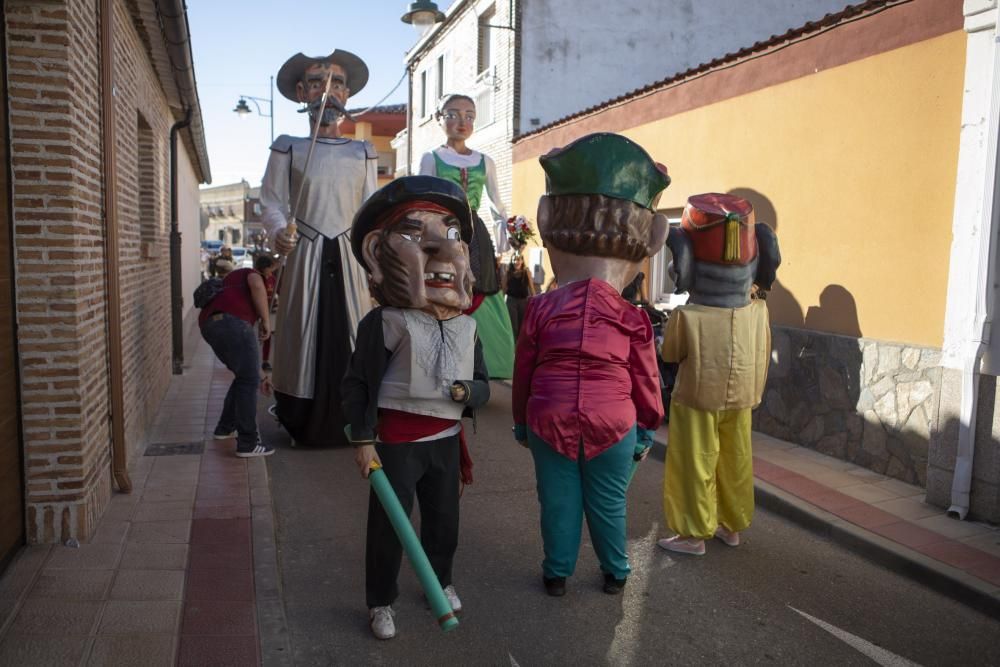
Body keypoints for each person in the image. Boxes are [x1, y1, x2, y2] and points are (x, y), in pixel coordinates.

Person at [512, 133, 667, 597]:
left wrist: (522, 421)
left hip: (548, 415)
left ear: (545, 222)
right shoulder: (632, 317)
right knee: (608, 504)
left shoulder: (539, 309)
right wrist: (646, 429)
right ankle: (615, 572)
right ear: (652, 241)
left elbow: (524, 372)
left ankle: (556, 572)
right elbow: (646, 381)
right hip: (613, 421)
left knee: (557, 503)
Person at [342, 175, 490, 640]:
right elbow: (358, 385)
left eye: (451, 236)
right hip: (396, 444)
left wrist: (471, 393)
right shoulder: (384, 323)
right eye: (413, 234)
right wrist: (363, 441)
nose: (441, 251)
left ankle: (439, 581)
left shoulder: (468, 327)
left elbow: (484, 385)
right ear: (376, 253)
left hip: (446, 444)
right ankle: (380, 601)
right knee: (389, 527)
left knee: (444, 522)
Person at [260, 49, 377, 447]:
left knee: (354, 334)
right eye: (316, 82)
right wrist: (279, 230)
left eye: (337, 83)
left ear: (347, 95)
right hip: (307, 253)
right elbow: (273, 201)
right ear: (300, 92)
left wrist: (375, 257)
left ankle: (355, 417)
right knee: (303, 336)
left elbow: (370, 210)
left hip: (348, 256)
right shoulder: (288, 147)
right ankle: (303, 419)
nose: (327, 90)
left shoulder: (362, 151)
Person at [658, 193, 780, 556]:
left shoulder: (689, 316)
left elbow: (670, 353)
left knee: (696, 460)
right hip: (742, 394)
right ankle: (732, 524)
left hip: (697, 396)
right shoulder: (757, 312)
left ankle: (694, 533)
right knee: (736, 456)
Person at [419, 93, 514, 379]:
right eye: (453, 114)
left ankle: (488, 364)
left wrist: (509, 235)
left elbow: (498, 203)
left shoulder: (485, 161)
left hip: (476, 235)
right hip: (442, 231)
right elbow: (422, 200)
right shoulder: (431, 158)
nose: (463, 121)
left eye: (469, 115)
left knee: (483, 288)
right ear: (440, 119)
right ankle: (435, 361)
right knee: (441, 289)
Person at [198, 258, 274, 457]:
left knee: (244, 377)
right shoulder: (252, 274)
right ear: (264, 270)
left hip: (209, 326)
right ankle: (248, 443)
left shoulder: (232, 280)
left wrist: (262, 377)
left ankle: (224, 428)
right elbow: (256, 285)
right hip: (232, 322)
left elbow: (249, 364)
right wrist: (266, 321)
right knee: (247, 381)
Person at [255, 255, 277, 372]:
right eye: (269, 268)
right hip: (258, 312)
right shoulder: (257, 278)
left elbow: (276, 292)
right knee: (258, 337)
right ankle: (253, 361)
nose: (271, 270)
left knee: (267, 337)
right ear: (263, 268)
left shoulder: (273, 279)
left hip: (270, 311)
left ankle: (265, 361)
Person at [505, 254, 534, 340]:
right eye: (514, 260)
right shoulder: (508, 273)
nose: (516, 262)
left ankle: (521, 346)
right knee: (513, 326)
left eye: (518, 260)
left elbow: (531, 287)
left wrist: (536, 301)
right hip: (511, 301)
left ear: (522, 261)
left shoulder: (526, 272)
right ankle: (513, 346)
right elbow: (504, 288)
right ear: (512, 261)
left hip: (523, 301)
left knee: (522, 326)